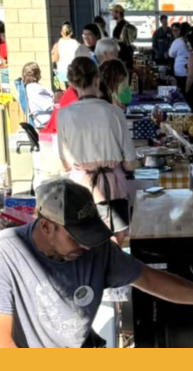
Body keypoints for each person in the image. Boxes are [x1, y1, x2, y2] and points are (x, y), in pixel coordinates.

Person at [0, 178, 193, 348]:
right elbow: (0, 344)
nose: (87, 246)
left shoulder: (96, 250)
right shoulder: (0, 255)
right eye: (77, 238)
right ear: (46, 226)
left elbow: (150, 279)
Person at [56, 57, 137, 246]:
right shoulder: (114, 112)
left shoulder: (63, 115)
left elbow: (64, 161)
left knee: (85, 242)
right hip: (113, 187)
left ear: (71, 84)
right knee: (116, 243)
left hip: (81, 188)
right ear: (97, 80)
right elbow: (130, 161)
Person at [22, 63, 54, 127]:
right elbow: (49, 105)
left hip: (41, 118)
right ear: (37, 74)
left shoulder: (29, 87)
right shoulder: (35, 89)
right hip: (45, 120)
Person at [51, 22, 80, 88]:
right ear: (71, 32)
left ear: (61, 33)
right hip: (73, 72)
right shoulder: (76, 44)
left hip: (61, 72)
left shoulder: (58, 44)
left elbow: (55, 59)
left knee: (63, 93)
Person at [169, 23, 191, 92]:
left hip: (180, 71)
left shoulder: (178, 41)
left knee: (181, 91)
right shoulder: (192, 40)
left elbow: (171, 54)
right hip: (192, 70)